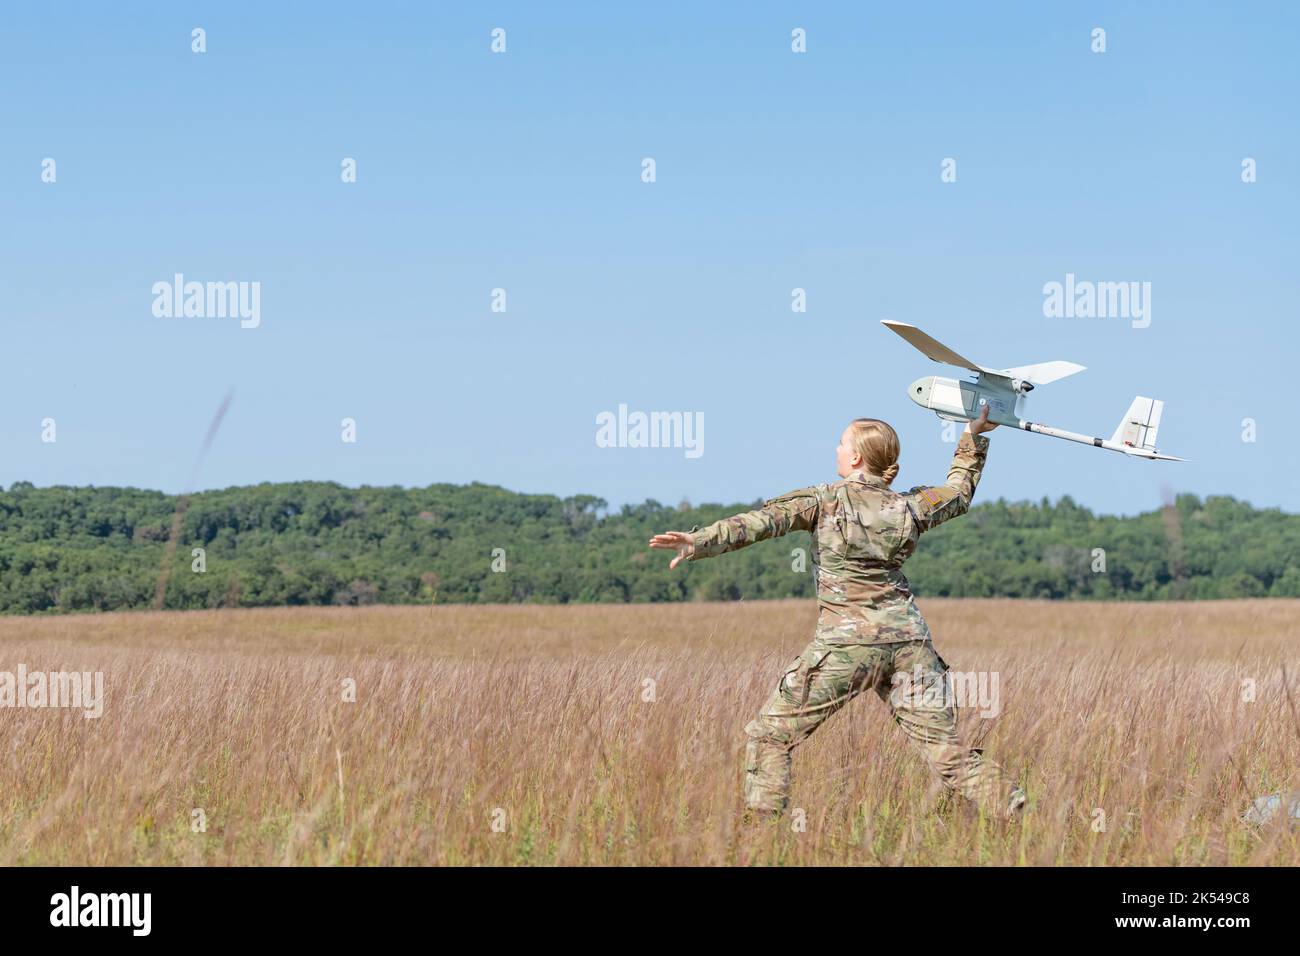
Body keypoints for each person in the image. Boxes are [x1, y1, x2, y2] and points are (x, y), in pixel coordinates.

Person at [648, 405, 1026, 822]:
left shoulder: (824, 500)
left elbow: (760, 523)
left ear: (857, 458)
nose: (837, 448)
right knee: (947, 753)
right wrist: (972, 436)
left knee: (770, 735)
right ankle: (1013, 808)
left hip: (848, 645)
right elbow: (958, 494)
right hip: (910, 645)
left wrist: (699, 540)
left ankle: (761, 831)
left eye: (842, 443)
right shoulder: (910, 507)